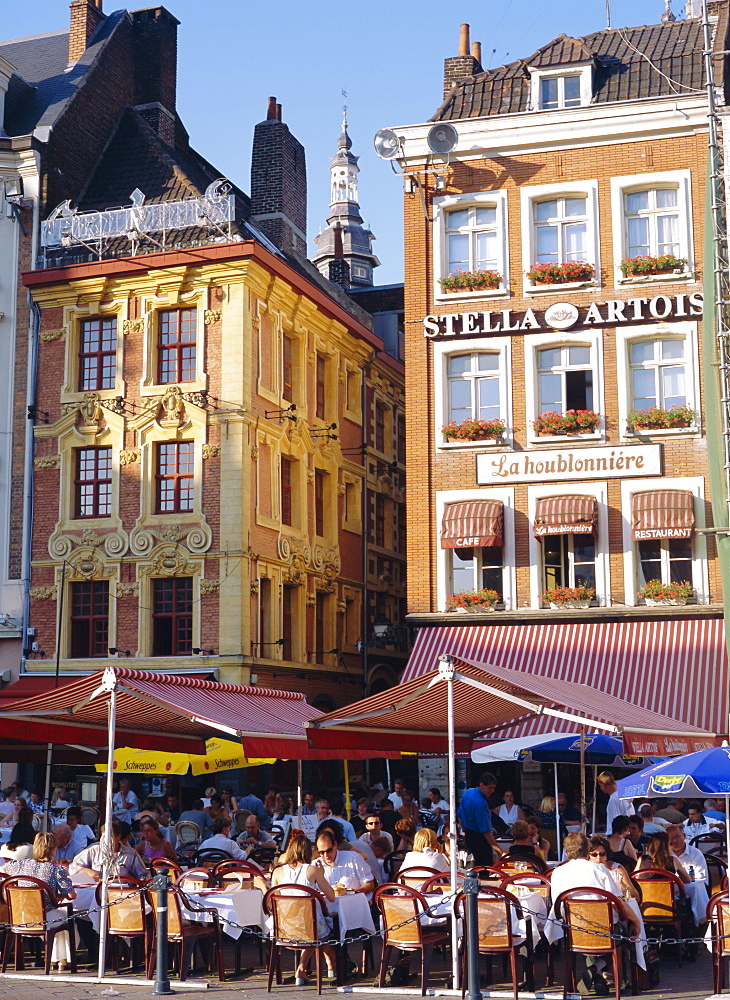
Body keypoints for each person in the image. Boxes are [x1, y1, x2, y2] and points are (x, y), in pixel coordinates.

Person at [550, 832, 642, 993]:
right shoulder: (599, 870)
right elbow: (617, 901)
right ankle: (597, 968)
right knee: (622, 932)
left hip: (573, 929)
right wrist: (636, 920)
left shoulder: (557, 872)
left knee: (594, 934)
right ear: (587, 852)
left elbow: (556, 903)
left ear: (566, 852)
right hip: (603, 929)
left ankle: (597, 975)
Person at [4, 832, 76, 971]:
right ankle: (63, 960)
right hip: (45, 916)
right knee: (67, 918)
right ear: (54, 849)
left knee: (60, 917)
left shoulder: (20, 865)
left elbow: (5, 868)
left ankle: (58, 960)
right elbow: (72, 895)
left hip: (22, 916)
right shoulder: (56, 869)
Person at [271, 833, 337, 985]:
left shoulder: (277, 871)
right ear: (308, 851)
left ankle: (328, 964)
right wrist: (321, 874)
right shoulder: (312, 870)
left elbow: (271, 902)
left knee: (311, 922)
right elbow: (332, 897)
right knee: (321, 925)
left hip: (283, 927)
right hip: (309, 927)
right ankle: (313, 967)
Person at [70, 819, 147, 881]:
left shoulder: (131, 854)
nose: (105, 840)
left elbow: (143, 876)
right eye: (103, 836)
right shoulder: (93, 851)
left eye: (109, 836)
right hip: (96, 893)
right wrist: (87, 871)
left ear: (118, 837)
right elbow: (73, 866)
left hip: (121, 893)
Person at [457, 771, 505, 868]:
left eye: (494, 788)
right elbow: (486, 832)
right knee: (484, 870)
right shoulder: (480, 803)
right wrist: (499, 851)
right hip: (480, 841)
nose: (492, 791)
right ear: (481, 785)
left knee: (470, 868)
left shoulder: (468, 792)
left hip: (469, 836)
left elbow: (460, 816)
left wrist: (465, 832)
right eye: (490, 788)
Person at [314, 829, 375, 896]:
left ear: (335, 844)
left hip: (353, 904)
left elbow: (370, 884)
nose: (326, 855)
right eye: (322, 852)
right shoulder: (314, 865)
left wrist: (354, 893)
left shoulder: (353, 858)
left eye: (329, 850)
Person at [587, 835, 639, 900]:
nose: (598, 858)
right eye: (594, 854)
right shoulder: (584, 870)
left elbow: (636, 897)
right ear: (588, 856)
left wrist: (622, 884)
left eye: (602, 854)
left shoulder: (617, 869)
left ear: (607, 855)